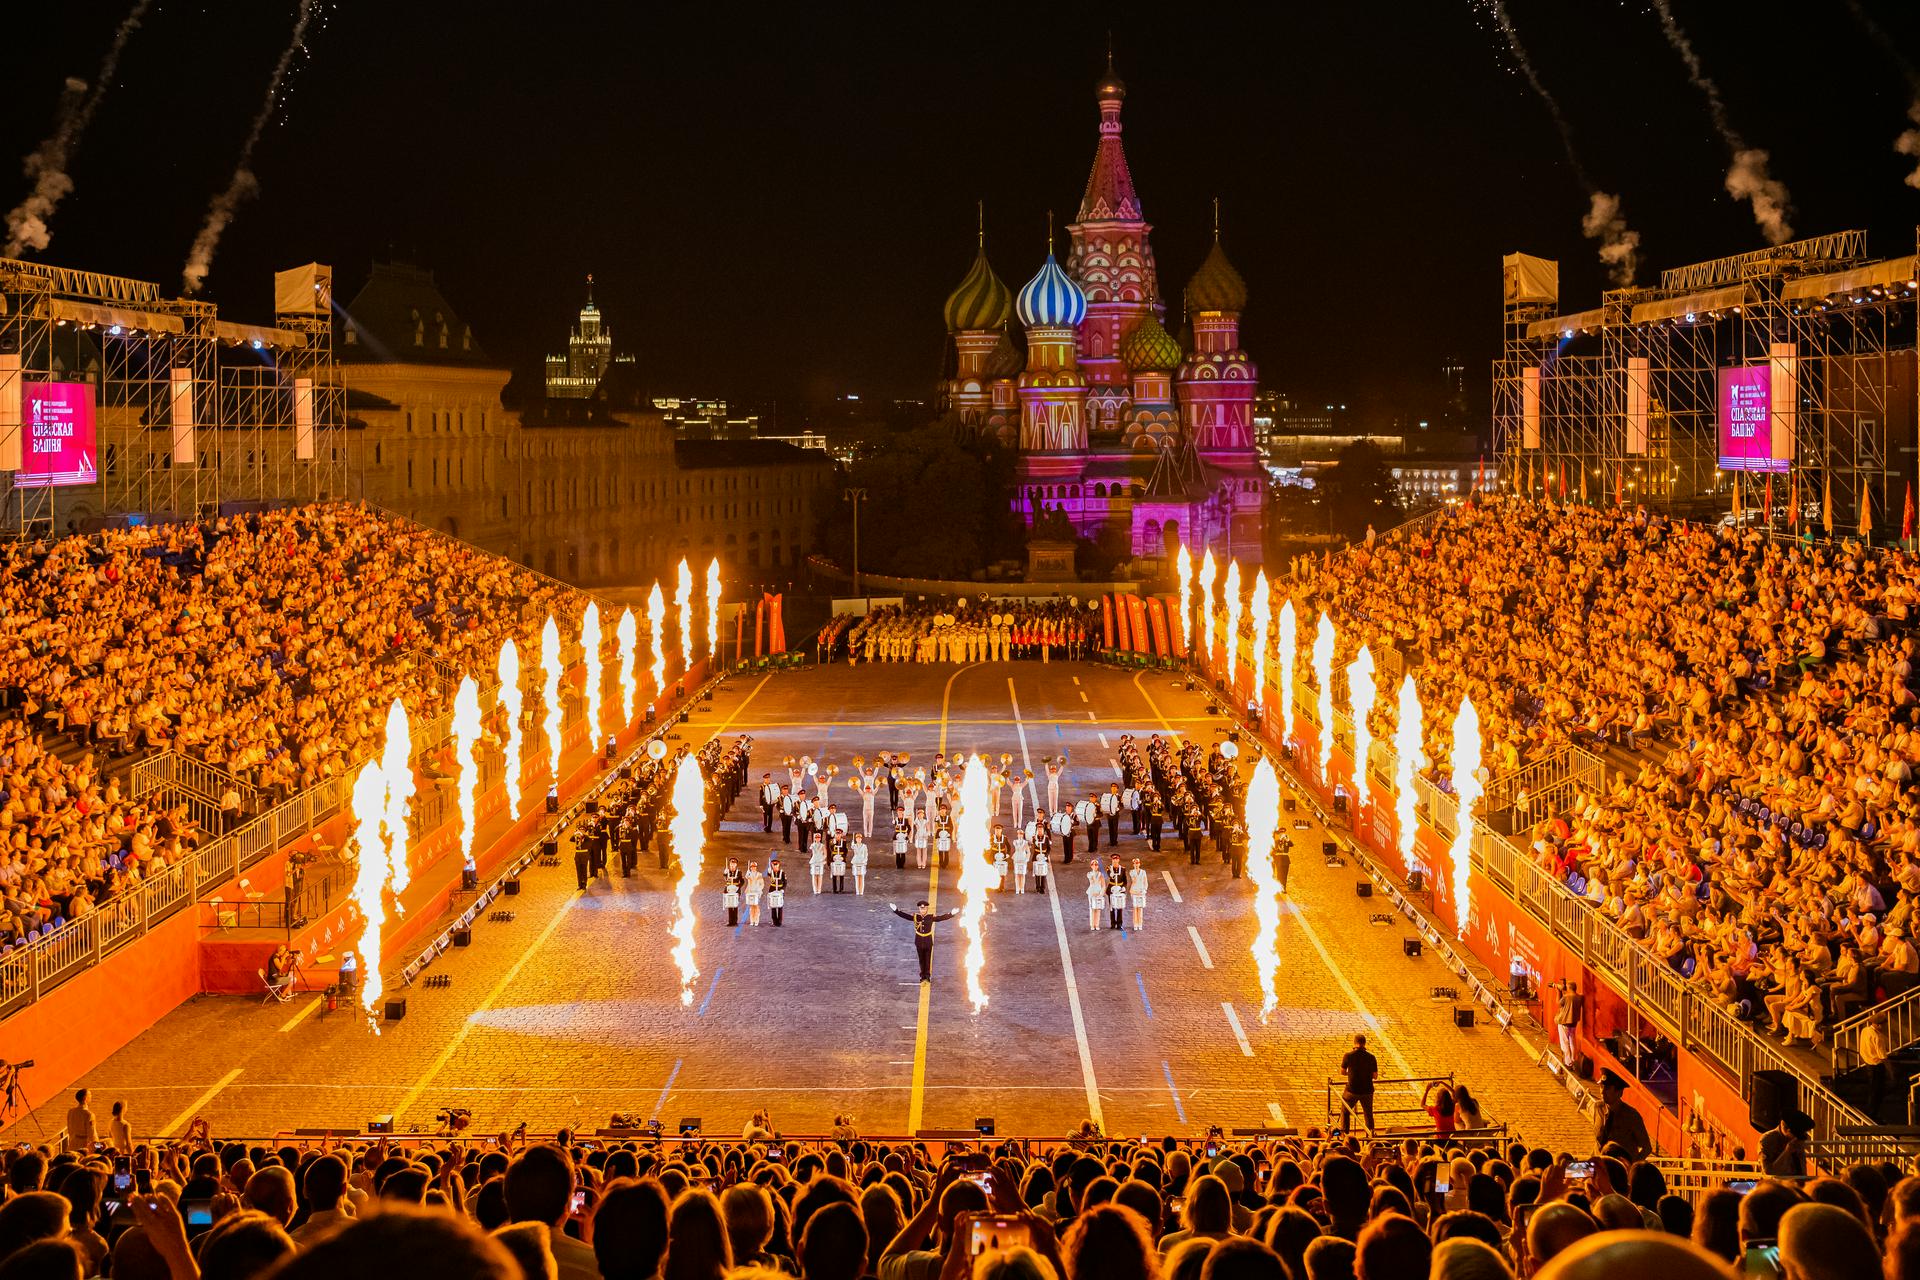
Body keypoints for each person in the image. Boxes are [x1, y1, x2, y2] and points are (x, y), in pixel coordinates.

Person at [891, 900, 959, 982]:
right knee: (921, 960)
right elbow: (906, 916)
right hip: (919, 941)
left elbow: (941, 918)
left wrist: (951, 914)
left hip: (928, 941)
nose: (922, 910)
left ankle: (927, 976)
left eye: (924, 909)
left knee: (927, 959)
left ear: (927, 909)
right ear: (919, 909)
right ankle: (922, 976)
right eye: (921, 909)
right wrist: (896, 910)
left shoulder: (930, 917)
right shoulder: (916, 917)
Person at [1592, 1071, 1651, 1160]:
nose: (1602, 1092)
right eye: (1601, 1087)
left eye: (1607, 1088)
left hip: (1619, 1170)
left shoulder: (1631, 1115)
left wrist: (1631, 1166)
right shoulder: (1598, 1108)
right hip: (1600, 1168)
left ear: (1619, 1092)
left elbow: (1647, 1148)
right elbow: (1597, 1142)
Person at [1339, 1034, 1378, 1133]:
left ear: (1354, 1043)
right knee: (1368, 1113)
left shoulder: (1348, 1056)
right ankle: (1370, 1134)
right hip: (1367, 1091)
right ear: (1364, 1043)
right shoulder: (1371, 1057)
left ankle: (1345, 1134)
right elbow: (1375, 1076)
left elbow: (1342, 1072)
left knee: (1345, 1111)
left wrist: (1350, 1073)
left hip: (1352, 1090)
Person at [1086, 862, 1107, 931]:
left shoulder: (1101, 874)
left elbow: (1103, 885)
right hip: (1091, 892)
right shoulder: (1089, 874)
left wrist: (1101, 893)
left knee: (1098, 909)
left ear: (1098, 866)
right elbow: (1092, 882)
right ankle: (1092, 925)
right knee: (1092, 908)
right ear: (1091, 866)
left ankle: (1097, 924)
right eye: (1093, 865)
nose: (1094, 866)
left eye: (1096, 865)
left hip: (1099, 892)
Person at [744, 861, 765, 928]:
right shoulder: (749, 874)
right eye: (752, 867)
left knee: (756, 906)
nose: (753, 868)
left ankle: (756, 921)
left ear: (756, 867)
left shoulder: (759, 874)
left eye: (754, 867)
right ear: (750, 868)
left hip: (756, 892)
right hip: (750, 892)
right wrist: (747, 874)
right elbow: (747, 877)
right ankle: (752, 920)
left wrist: (759, 890)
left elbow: (762, 883)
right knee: (751, 907)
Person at [767, 858, 787, 927]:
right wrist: (769, 872)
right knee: (773, 905)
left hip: (780, 889)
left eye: (776, 865)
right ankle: (774, 921)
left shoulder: (782, 873)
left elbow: (785, 882)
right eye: (773, 865)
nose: (775, 867)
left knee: (780, 905)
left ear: (778, 865)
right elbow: (769, 876)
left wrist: (783, 889)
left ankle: (779, 921)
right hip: (772, 889)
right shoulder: (771, 872)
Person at [1128, 859, 1148, 930]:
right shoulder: (1132, 872)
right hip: (1134, 891)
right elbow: (1134, 880)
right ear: (1133, 864)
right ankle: (1135, 924)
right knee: (1135, 908)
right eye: (1135, 863)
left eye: (1137, 863)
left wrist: (1144, 889)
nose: (1136, 865)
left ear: (1139, 864)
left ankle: (1140, 924)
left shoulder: (1143, 872)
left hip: (1141, 892)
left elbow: (1145, 882)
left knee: (1140, 908)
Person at [723, 859, 742, 928]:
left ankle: (735, 921)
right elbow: (726, 879)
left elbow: (742, 881)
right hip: (729, 890)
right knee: (730, 906)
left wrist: (738, 887)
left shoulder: (739, 872)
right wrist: (725, 874)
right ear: (729, 865)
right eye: (731, 864)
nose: (732, 866)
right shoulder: (727, 871)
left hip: (736, 890)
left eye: (734, 864)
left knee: (735, 906)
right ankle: (730, 922)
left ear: (736, 865)